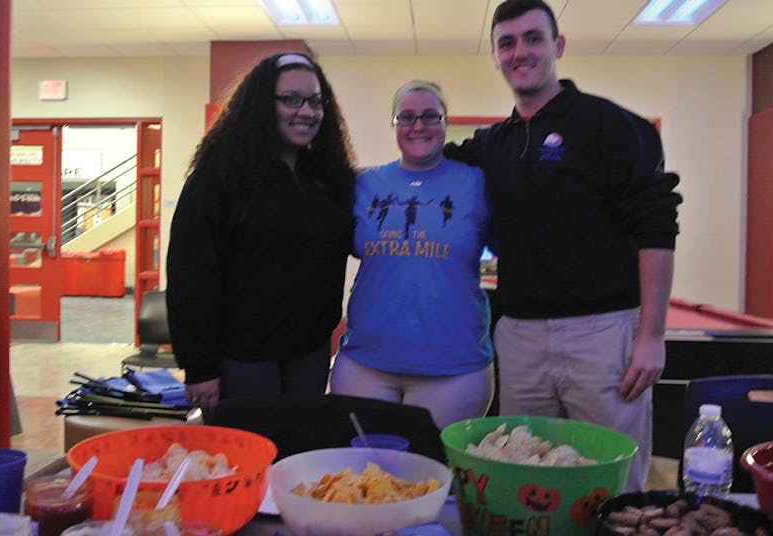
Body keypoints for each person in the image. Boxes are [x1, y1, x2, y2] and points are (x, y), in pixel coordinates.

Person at [444, 0, 683, 491]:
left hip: (603, 334)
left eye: (533, 38)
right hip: (519, 337)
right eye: (506, 43)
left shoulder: (610, 125)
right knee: (523, 478)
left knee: (610, 483)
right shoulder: (493, 144)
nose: (520, 52)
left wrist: (652, 335)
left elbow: (656, 225)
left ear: (558, 45)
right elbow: (429, 161)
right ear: (494, 55)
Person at [166, 52, 356, 414]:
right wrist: (200, 367)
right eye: (291, 99)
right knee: (252, 463)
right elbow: (191, 276)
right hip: (241, 359)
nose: (307, 110)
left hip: (309, 354)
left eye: (317, 101)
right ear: (259, 105)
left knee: (299, 457)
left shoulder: (329, 179)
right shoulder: (217, 180)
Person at [329, 80, 495, 429]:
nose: (418, 126)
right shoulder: (364, 184)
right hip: (365, 365)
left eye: (429, 116)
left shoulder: (479, 182)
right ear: (394, 124)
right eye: (406, 117)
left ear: (445, 122)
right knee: (364, 475)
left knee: (436, 476)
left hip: (454, 371)